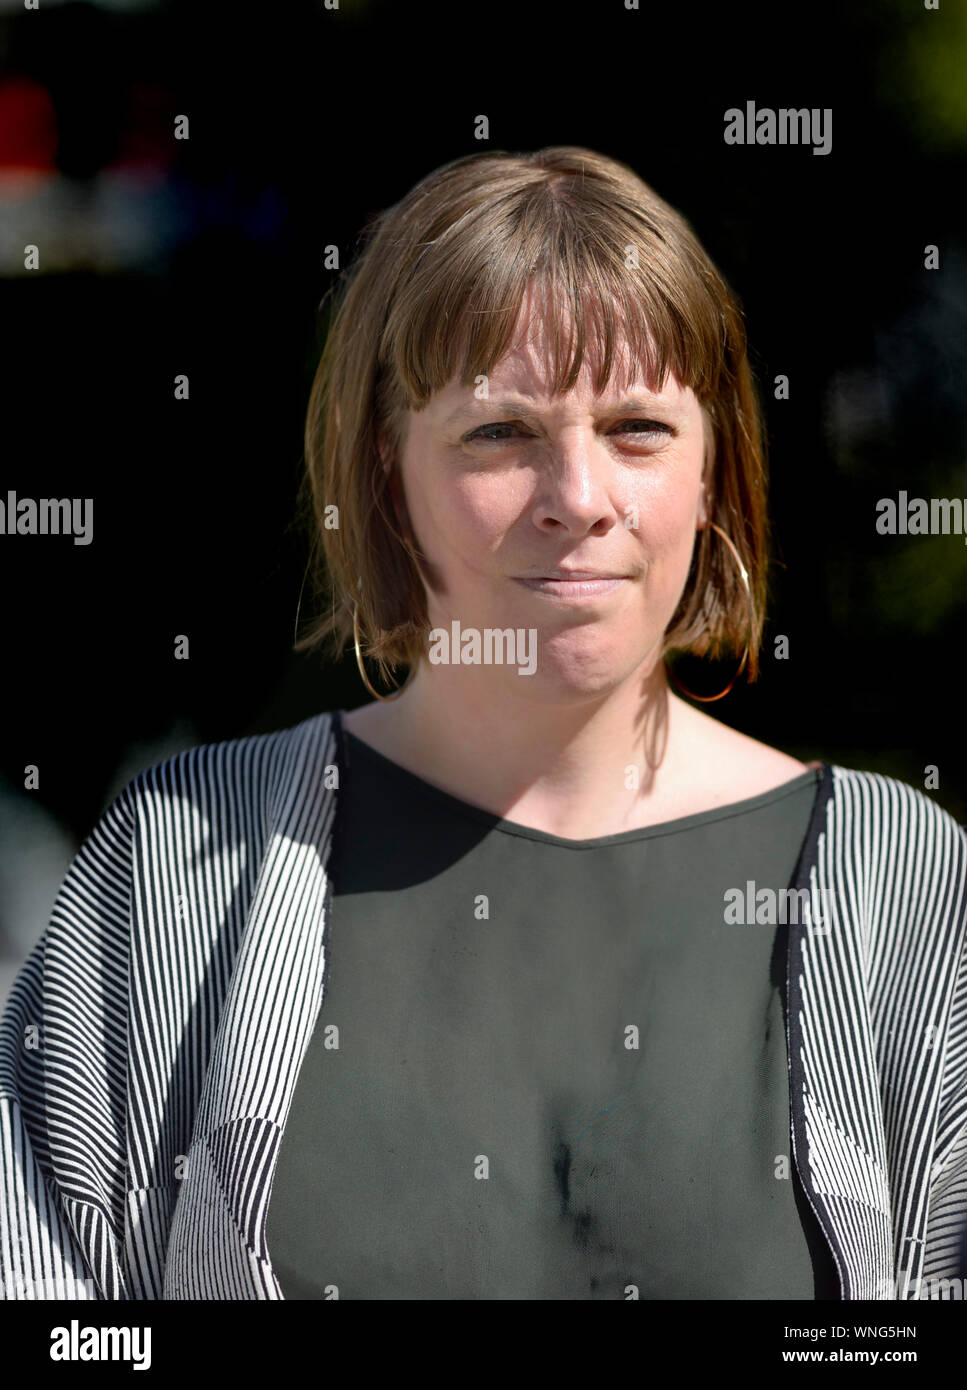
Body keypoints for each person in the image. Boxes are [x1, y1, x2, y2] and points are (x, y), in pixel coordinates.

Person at [1, 147, 965, 1301]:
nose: (578, 494)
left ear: (713, 472)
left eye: (638, 428)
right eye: (499, 433)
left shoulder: (896, 881)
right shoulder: (175, 867)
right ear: (383, 476)